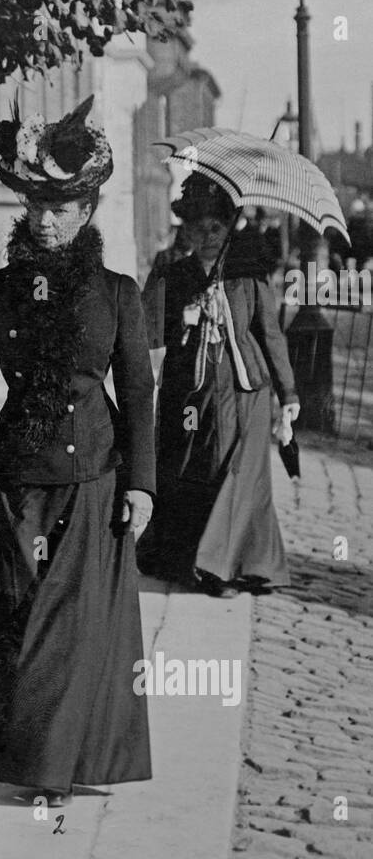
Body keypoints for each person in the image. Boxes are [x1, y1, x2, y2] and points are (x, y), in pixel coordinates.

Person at [0, 96, 155, 805]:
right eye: (36, 203)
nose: (47, 218)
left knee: (66, 634)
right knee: (15, 619)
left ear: (88, 210)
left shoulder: (118, 296)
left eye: (62, 206)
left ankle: (48, 773)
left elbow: (138, 396)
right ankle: (30, 751)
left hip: (92, 480)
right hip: (16, 481)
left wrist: (142, 486)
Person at [138, 173, 300, 597]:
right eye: (198, 229)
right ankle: (189, 559)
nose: (207, 237)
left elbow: (270, 335)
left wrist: (290, 395)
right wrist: (183, 320)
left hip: (245, 391)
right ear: (185, 231)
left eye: (216, 228)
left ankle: (230, 568)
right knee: (194, 472)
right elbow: (147, 334)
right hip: (190, 395)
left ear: (230, 229)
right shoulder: (172, 275)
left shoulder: (248, 275)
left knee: (236, 475)